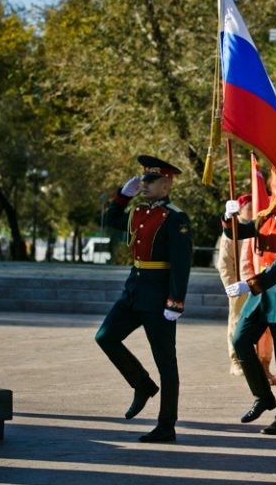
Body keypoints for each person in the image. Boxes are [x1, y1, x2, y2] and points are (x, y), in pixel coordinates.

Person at [94, 155, 192, 443]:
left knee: (166, 362)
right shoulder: (138, 213)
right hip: (133, 291)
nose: (144, 184)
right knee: (105, 336)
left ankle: (167, 425)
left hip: (159, 296)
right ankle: (142, 384)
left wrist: (175, 302)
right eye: (143, 180)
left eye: (151, 181)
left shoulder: (176, 218)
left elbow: (181, 263)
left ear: (166, 184)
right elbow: (110, 219)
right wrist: (122, 197)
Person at [223, 187, 276, 435]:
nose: (270, 195)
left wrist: (250, 284)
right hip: (261, 295)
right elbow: (235, 233)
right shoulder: (263, 218)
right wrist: (230, 217)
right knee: (240, 341)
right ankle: (263, 396)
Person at [216, 194, 254, 376]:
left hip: (257, 284)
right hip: (239, 285)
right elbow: (224, 263)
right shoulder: (233, 230)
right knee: (236, 322)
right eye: (249, 207)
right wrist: (231, 286)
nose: (252, 210)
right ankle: (235, 360)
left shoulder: (256, 227)